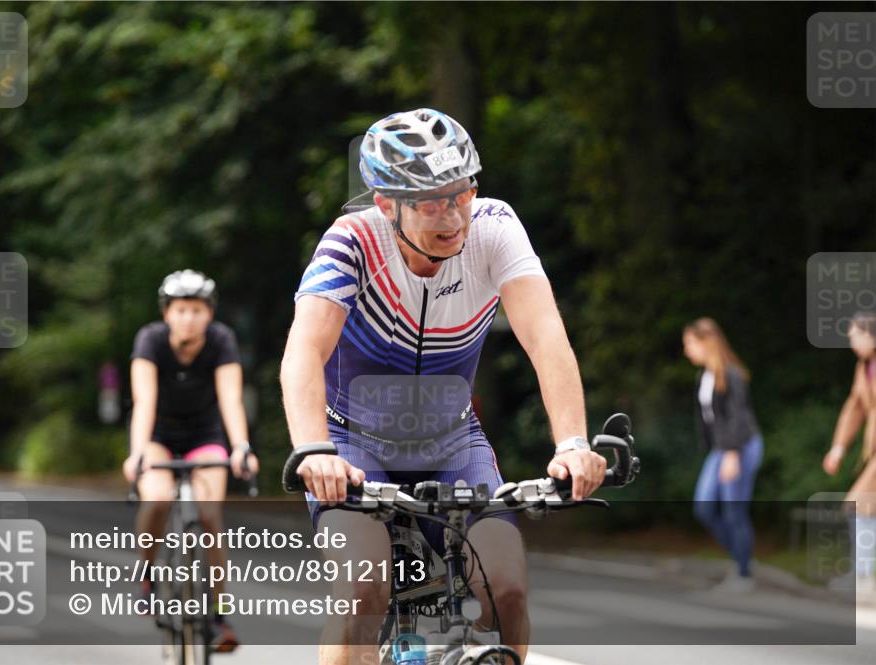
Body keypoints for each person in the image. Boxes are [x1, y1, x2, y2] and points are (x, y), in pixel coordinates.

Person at [281, 108, 606, 665]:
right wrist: (314, 451)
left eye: (462, 194)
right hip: (353, 447)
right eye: (431, 202)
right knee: (363, 588)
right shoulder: (352, 241)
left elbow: (546, 337)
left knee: (507, 587)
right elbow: (304, 352)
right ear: (387, 204)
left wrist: (573, 443)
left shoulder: (495, 227)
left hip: (452, 442)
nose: (454, 216)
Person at [121, 270, 259, 649]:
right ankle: (146, 575)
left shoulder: (221, 340)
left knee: (210, 515)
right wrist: (137, 453)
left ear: (209, 313)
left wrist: (241, 447)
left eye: (197, 310)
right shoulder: (150, 340)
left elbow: (231, 399)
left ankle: (217, 613)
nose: (189, 318)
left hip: (205, 434)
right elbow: (144, 402)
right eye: (181, 310)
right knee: (157, 499)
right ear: (167, 313)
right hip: (158, 435)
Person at [683, 318, 764, 593]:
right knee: (703, 508)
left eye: (690, 343)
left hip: (741, 447)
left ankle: (743, 574)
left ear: (706, 342)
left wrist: (732, 454)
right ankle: (742, 558)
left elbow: (738, 417)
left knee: (734, 512)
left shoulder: (731, 374)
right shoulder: (704, 377)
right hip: (720, 450)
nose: (687, 350)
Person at [822, 311, 876, 592]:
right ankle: (863, 575)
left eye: (855, 336)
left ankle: (863, 577)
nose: (851, 342)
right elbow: (854, 408)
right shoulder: (864, 367)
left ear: (871, 335)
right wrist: (839, 448)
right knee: (863, 508)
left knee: (861, 505)